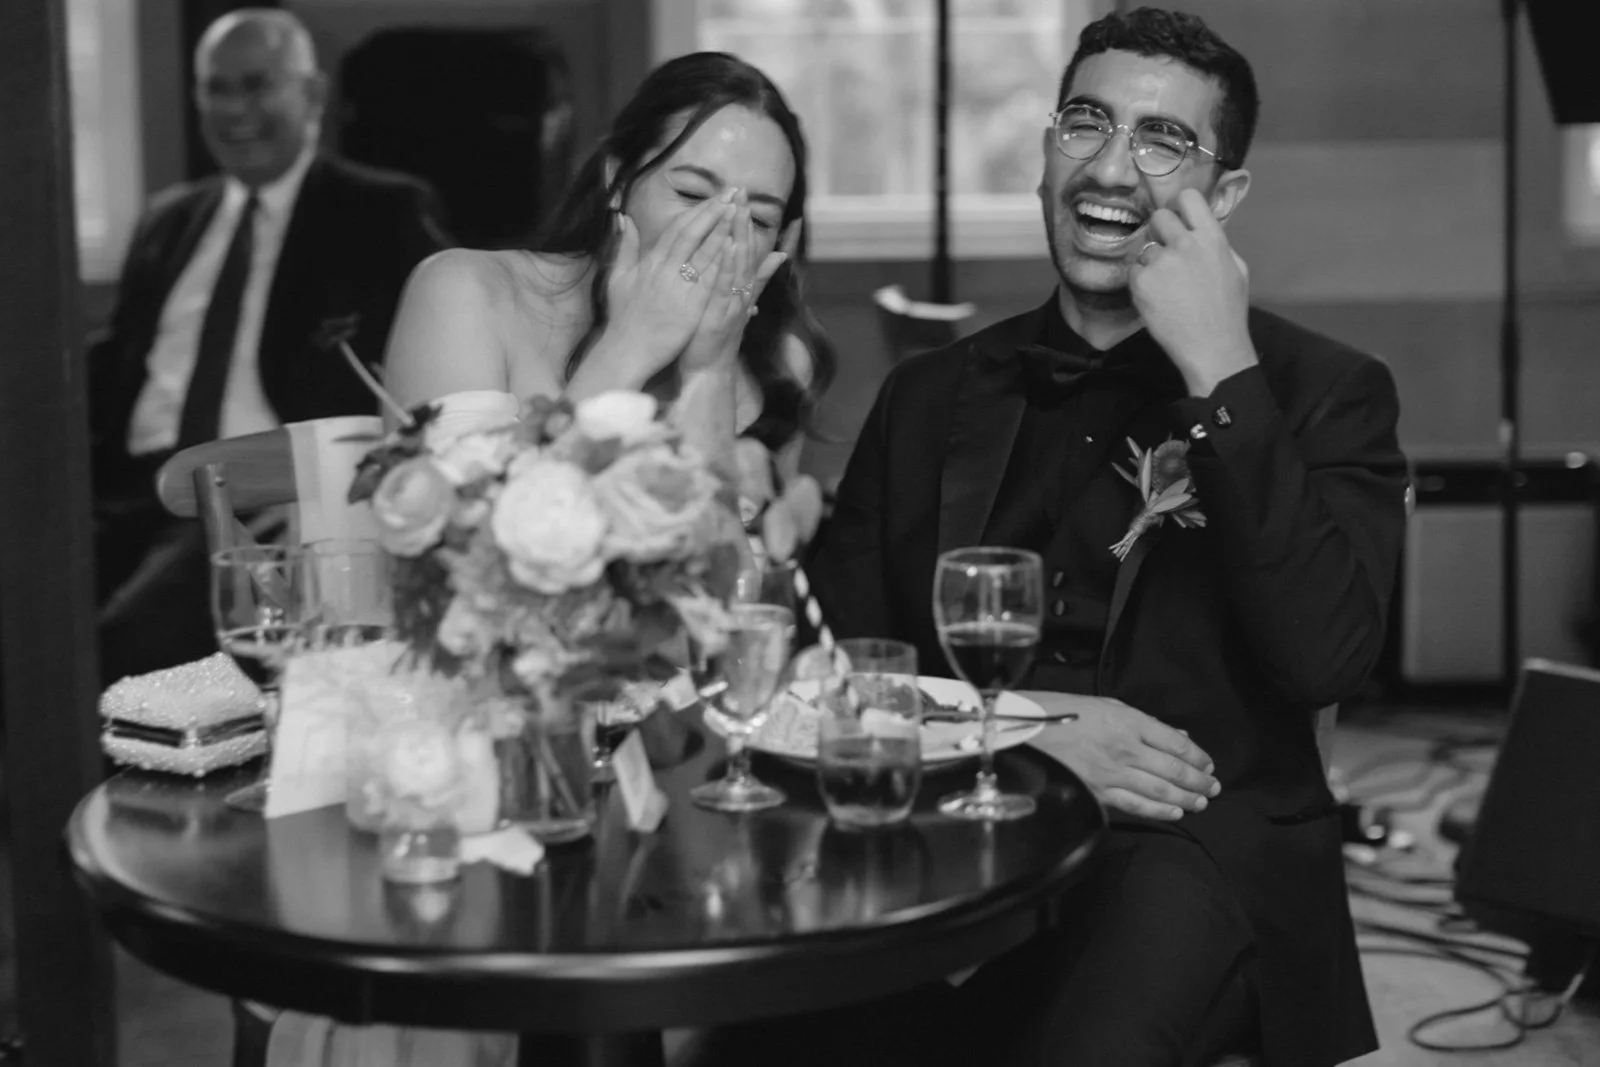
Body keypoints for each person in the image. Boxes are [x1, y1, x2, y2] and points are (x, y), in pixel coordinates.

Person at [803, 8, 1407, 1067]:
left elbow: (1326, 655)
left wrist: (1221, 376)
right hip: (946, 814)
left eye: (1161, 140)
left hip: (1188, 847)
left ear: (1223, 199)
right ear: (1046, 152)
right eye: (1085, 122)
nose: (1110, 167)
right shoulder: (927, 393)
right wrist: (1017, 725)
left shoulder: (1323, 394)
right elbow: (836, 669)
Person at [90, 8, 452, 686]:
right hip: (121, 497)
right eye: (216, 89)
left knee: (116, 640)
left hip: (247, 504)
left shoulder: (379, 213)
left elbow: (426, 388)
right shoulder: (167, 223)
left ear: (311, 94)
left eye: (256, 86)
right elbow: (108, 378)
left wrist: (318, 491)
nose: (234, 109)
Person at [383, 50, 834, 545]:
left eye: (759, 220)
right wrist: (628, 348)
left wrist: (711, 374)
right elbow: (453, 557)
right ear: (617, 180)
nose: (719, 235)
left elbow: (735, 601)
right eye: (690, 194)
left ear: (782, 243)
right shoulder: (466, 293)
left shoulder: (780, 363)